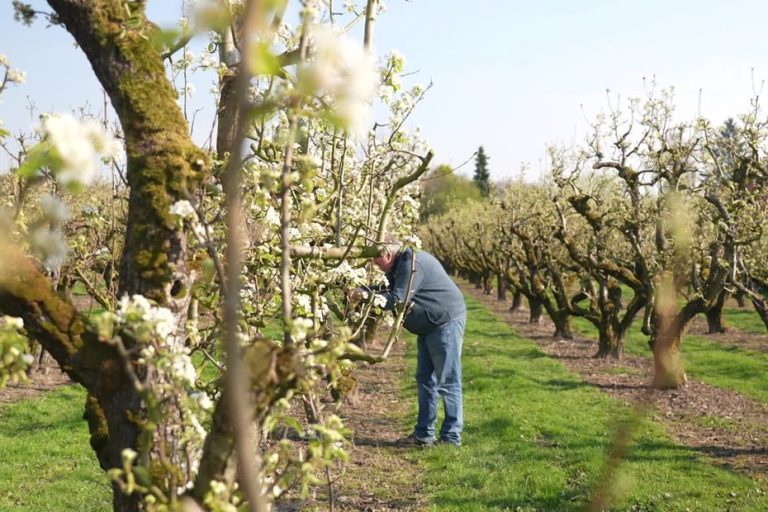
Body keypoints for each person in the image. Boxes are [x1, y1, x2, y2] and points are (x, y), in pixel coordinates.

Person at [357, 237, 467, 447]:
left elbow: (397, 298)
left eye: (375, 259)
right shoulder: (400, 264)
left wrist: (365, 297)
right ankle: (424, 435)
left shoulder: (412, 264)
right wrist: (366, 290)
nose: (374, 264)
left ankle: (451, 438)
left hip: (445, 322)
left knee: (448, 380)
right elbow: (386, 288)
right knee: (425, 379)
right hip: (428, 325)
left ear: (387, 255)